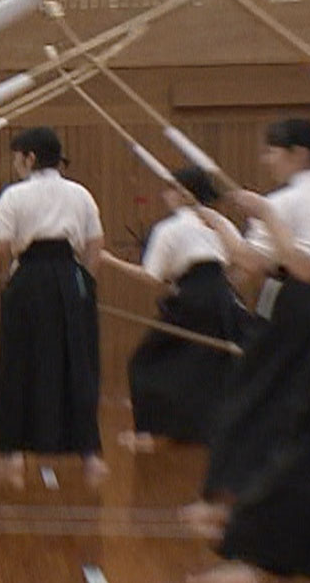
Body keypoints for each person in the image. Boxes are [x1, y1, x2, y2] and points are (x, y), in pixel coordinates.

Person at [185, 124, 310, 583]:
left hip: (305, 308)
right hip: (297, 308)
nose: (267, 159)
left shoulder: (289, 201)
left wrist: (253, 215)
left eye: (273, 151)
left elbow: (298, 268)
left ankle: (256, 546)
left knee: (280, 418)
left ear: (298, 153)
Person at [0, 127, 106, 487]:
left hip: (29, 280)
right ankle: (90, 457)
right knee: (78, 364)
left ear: (29, 157)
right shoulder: (80, 194)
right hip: (69, 278)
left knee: (18, 363)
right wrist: (83, 283)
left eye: (17, 157)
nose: (15, 164)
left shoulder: (15, 195)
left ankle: (10, 455)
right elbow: (95, 243)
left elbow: (1, 246)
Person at [94, 166, 251, 451]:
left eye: (170, 188)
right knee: (211, 361)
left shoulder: (169, 228)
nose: (165, 194)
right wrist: (212, 287)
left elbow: (151, 277)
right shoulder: (220, 223)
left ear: (182, 193)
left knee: (145, 361)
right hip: (222, 297)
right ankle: (209, 432)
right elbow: (243, 266)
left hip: (192, 298)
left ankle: (147, 435)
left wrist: (109, 260)